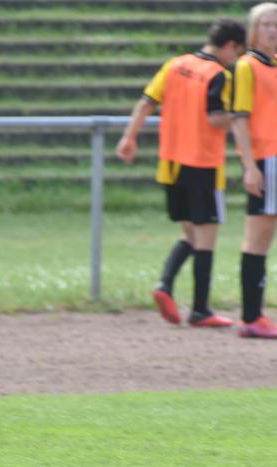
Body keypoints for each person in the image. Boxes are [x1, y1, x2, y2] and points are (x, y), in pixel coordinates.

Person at [116, 18, 246, 328]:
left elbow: (147, 102)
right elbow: (216, 119)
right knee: (207, 237)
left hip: (171, 164)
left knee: (191, 234)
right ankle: (200, 309)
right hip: (202, 164)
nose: (236, 60)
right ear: (230, 47)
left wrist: (129, 137)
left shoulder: (175, 65)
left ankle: (165, 285)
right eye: (237, 54)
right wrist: (244, 118)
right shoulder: (218, 75)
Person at [231, 3, 277, 338]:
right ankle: (251, 317)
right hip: (267, 159)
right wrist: (250, 166)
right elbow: (239, 119)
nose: (273, 30)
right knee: (258, 239)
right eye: (267, 25)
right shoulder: (247, 66)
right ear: (254, 30)